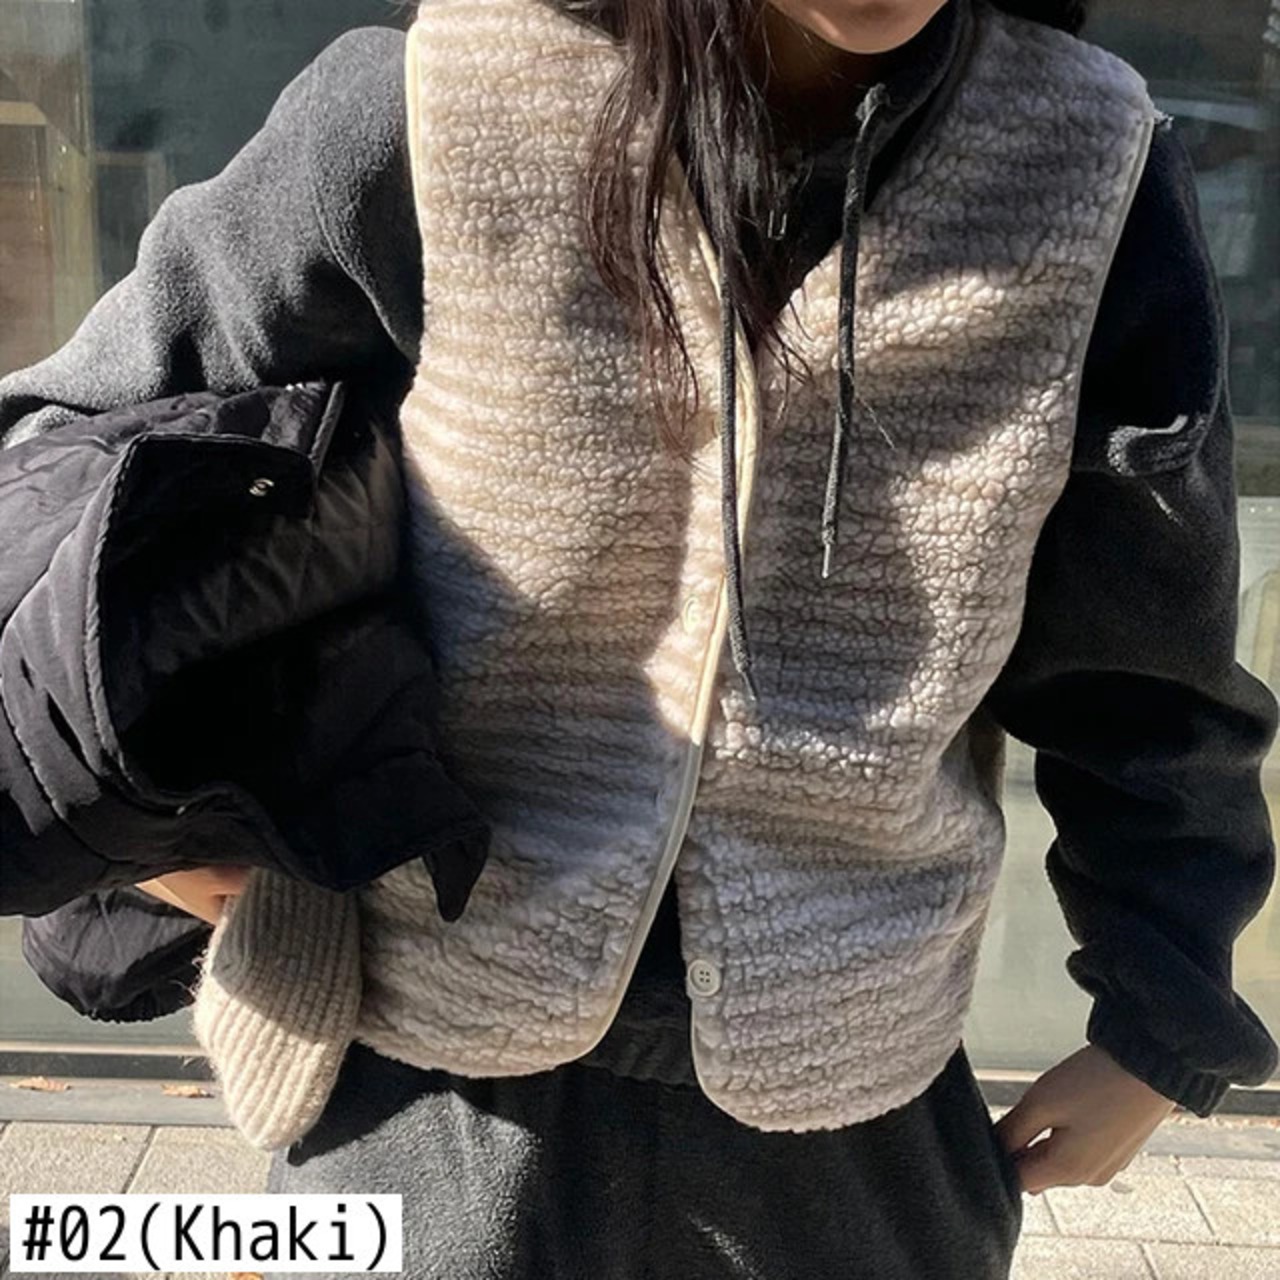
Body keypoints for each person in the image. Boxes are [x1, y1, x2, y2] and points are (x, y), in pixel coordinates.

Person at [1, 1, 1277, 1276]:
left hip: (852, 1116)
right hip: (415, 1086)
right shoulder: (432, 99)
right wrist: (150, 823)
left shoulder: (1085, 164)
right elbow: (64, 454)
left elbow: (1141, 653)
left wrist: (1157, 1017)